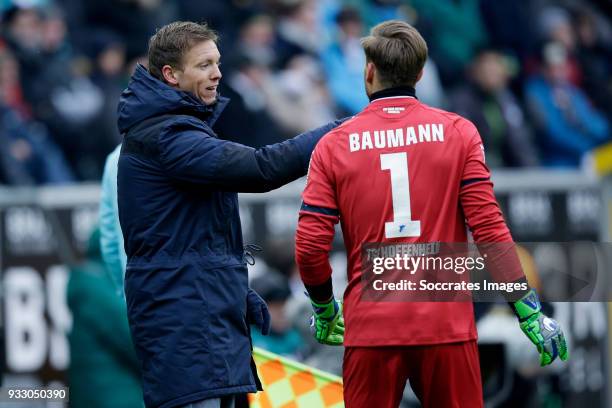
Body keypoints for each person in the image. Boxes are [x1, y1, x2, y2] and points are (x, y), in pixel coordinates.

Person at [294, 20, 568, 408]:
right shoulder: (459, 133)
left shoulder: (333, 145)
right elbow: (489, 229)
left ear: (369, 70)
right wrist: (527, 310)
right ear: (421, 73)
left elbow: (309, 246)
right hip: (446, 326)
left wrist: (323, 309)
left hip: (372, 329)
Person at [116, 21, 343, 408]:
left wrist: (235, 292)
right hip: (186, 329)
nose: (217, 73)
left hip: (202, 316)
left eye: (217, 63)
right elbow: (261, 168)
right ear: (171, 75)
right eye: (204, 64)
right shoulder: (169, 137)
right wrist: (341, 131)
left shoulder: (175, 129)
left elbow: (191, 243)